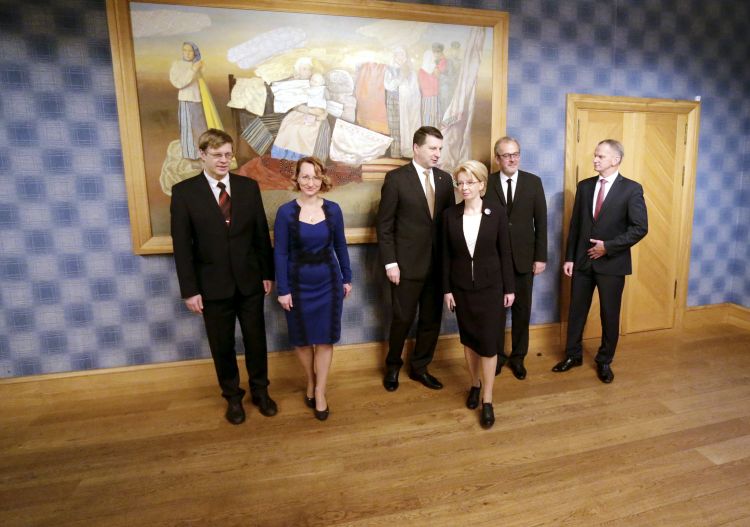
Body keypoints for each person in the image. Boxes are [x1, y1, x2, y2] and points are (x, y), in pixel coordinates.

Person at [170, 129, 277, 425]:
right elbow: (183, 247)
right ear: (202, 155)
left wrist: (266, 273)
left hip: (250, 281)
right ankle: (232, 398)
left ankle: (261, 392)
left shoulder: (248, 187)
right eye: (217, 155)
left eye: (228, 155)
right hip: (212, 286)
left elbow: (260, 234)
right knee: (222, 345)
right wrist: (190, 290)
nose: (223, 160)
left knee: (256, 341)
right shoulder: (184, 193)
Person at [552, 139, 648, 383]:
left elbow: (640, 228)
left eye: (600, 156)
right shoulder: (584, 186)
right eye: (595, 155)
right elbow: (576, 225)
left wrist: (608, 247)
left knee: (609, 314)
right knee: (576, 311)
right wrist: (570, 257)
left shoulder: (632, 189)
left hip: (612, 264)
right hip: (582, 262)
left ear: (616, 160)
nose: (595, 159)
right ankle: (573, 355)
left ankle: (604, 361)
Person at [376, 126, 455, 392]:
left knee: (431, 321)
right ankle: (392, 366)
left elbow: (449, 224)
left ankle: (420, 367)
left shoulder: (445, 180)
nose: (437, 154)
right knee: (402, 319)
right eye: (432, 148)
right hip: (405, 267)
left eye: (440, 149)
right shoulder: (396, 179)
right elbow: (384, 225)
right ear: (416, 148)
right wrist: (391, 263)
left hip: (437, 266)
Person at [274, 157, 352, 421]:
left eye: (316, 177)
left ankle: (320, 391)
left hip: (328, 282)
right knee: (302, 339)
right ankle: (310, 379)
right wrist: (283, 290)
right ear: (296, 179)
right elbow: (280, 253)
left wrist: (347, 277)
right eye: (305, 176)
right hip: (297, 285)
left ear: (323, 179)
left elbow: (340, 245)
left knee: (325, 339)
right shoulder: (285, 212)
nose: (310, 182)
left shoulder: (333, 210)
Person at [443, 161, 515, 429]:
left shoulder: (496, 212)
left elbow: (505, 252)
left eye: (470, 182)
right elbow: (445, 256)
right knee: (470, 342)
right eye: (460, 183)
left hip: (491, 288)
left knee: (488, 343)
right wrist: (447, 290)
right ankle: (474, 384)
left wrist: (509, 288)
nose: (464, 187)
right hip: (461, 289)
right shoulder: (450, 215)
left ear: (482, 184)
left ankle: (487, 399)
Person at [485, 137, 547, 380]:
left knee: (522, 311)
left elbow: (541, 222)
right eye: (506, 155)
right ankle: (497, 357)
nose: (512, 159)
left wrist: (540, 257)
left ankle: (519, 357)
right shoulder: (487, 183)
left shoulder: (533, 182)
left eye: (515, 154)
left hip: (524, 258)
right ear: (497, 158)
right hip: (494, 259)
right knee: (496, 312)